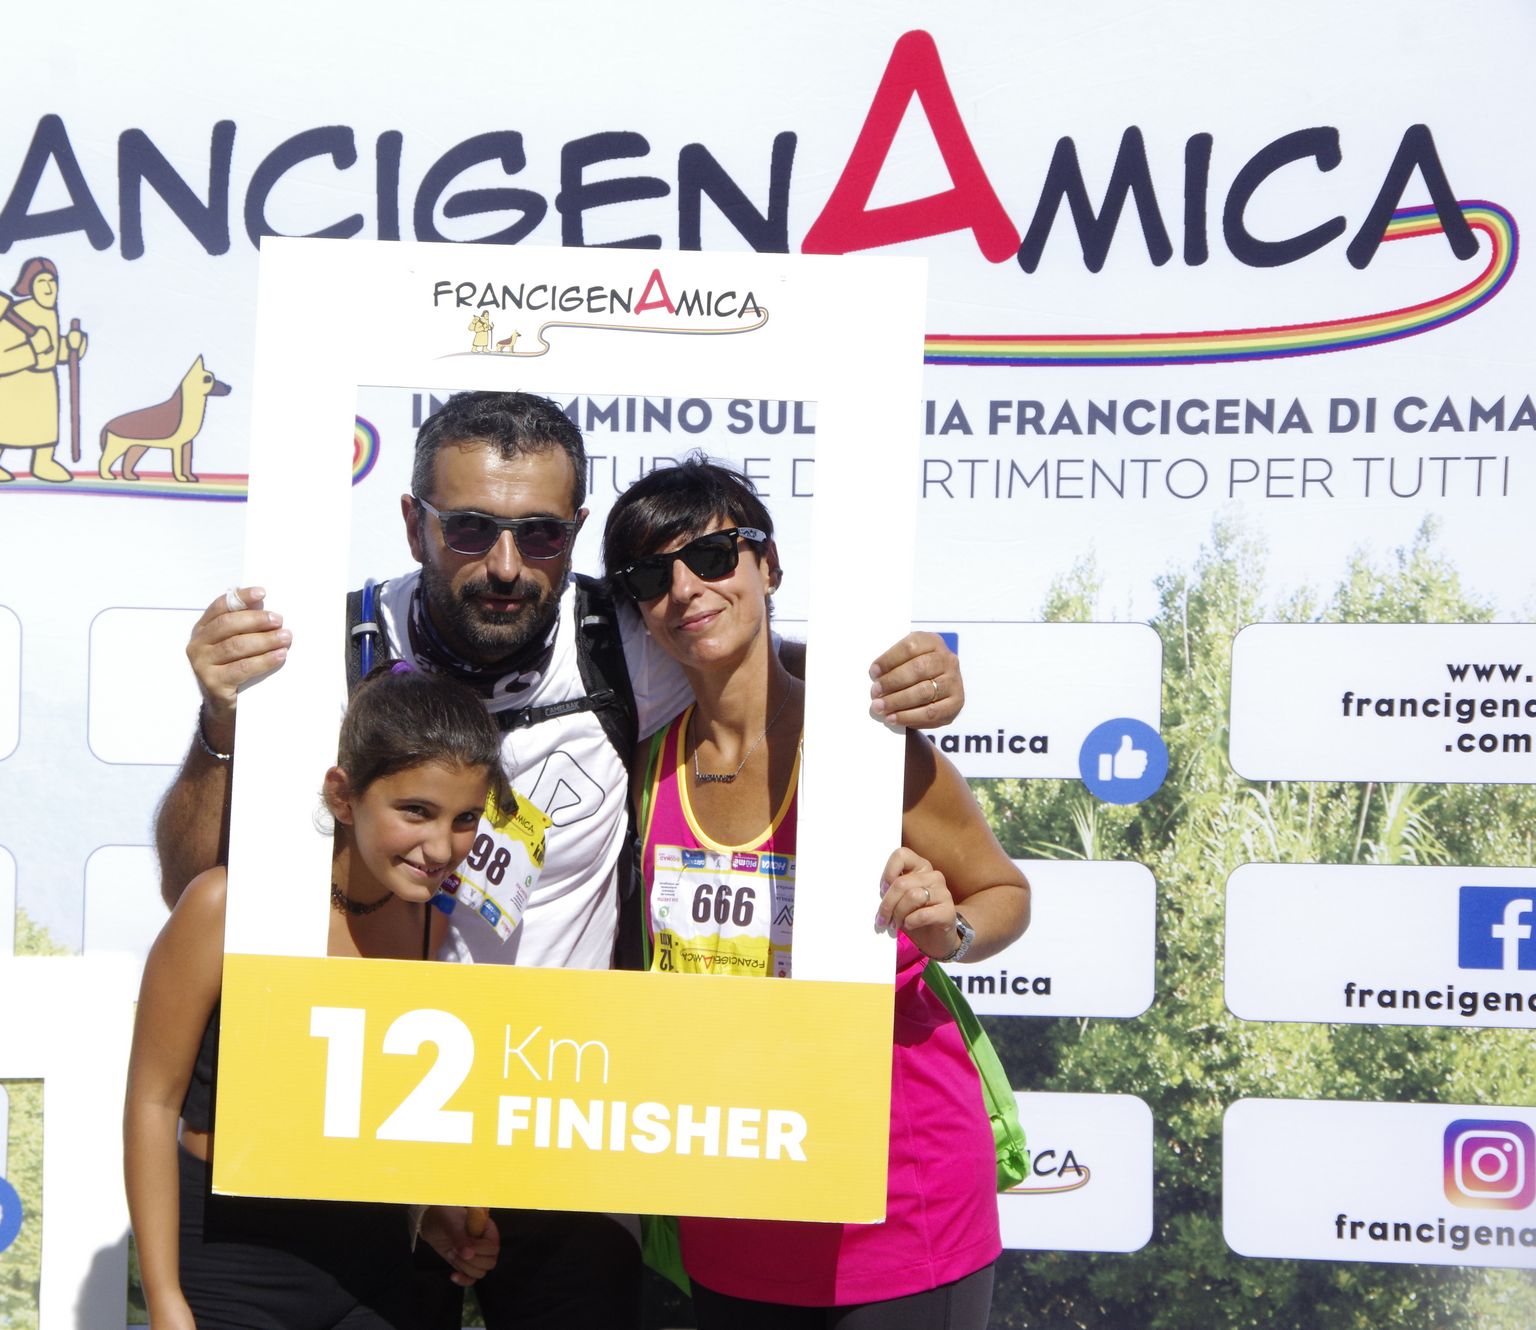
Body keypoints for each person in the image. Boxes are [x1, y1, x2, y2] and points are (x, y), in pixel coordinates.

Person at [153, 391, 969, 1330]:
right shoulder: (327, 654)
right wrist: (220, 720)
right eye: (470, 529)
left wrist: (898, 682)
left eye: (539, 534)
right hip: (371, 1124)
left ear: (575, 533)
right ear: (414, 523)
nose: (506, 565)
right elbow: (191, 882)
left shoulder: (624, 642)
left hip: (569, 1122)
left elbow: (748, 652)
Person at [604, 457, 1030, 1330]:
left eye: (714, 556)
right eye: (651, 576)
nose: (685, 590)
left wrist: (947, 928)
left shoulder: (870, 745)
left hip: (897, 1197)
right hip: (732, 1194)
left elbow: (1002, 892)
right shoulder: (646, 766)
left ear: (768, 566)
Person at [125, 663, 508, 1329]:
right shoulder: (224, 905)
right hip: (232, 1263)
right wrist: (164, 1297)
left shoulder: (433, 925)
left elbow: (376, 1112)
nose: (440, 847)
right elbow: (152, 1105)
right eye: (416, 811)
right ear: (343, 795)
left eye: (465, 819)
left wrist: (435, 1213)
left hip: (375, 1270)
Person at [0, 256, 89, 483]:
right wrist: (32, 350)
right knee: (2, 427)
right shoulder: (14, 315)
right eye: (41, 282)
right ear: (30, 286)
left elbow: (51, 350)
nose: (49, 288)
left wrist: (72, 346)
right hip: (14, 386)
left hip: (44, 386)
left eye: (52, 282)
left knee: (44, 428)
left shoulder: (50, 312)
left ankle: (43, 462)